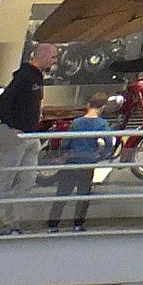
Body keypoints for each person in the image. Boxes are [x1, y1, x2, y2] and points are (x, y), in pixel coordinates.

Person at [0, 42, 55, 235]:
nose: (54, 61)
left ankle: (11, 220)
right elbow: (4, 101)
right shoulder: (24, 76)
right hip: (18, 136)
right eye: (52, 57)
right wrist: (10, 127)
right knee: (5, 180)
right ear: (41, 56)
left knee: (28, 180)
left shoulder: (36, 77)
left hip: (31, 135)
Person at [49, 91, 111, 232]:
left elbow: (66, 142)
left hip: (71, 161)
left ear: (88, 105)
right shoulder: (102, 124)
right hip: (87, 163)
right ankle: (78, 224)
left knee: (62, 194)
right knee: (83, 194)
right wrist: (101, 156)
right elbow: (108, 144)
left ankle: (53, 225)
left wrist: (63, 154)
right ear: (103, 107)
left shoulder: (76, 122)